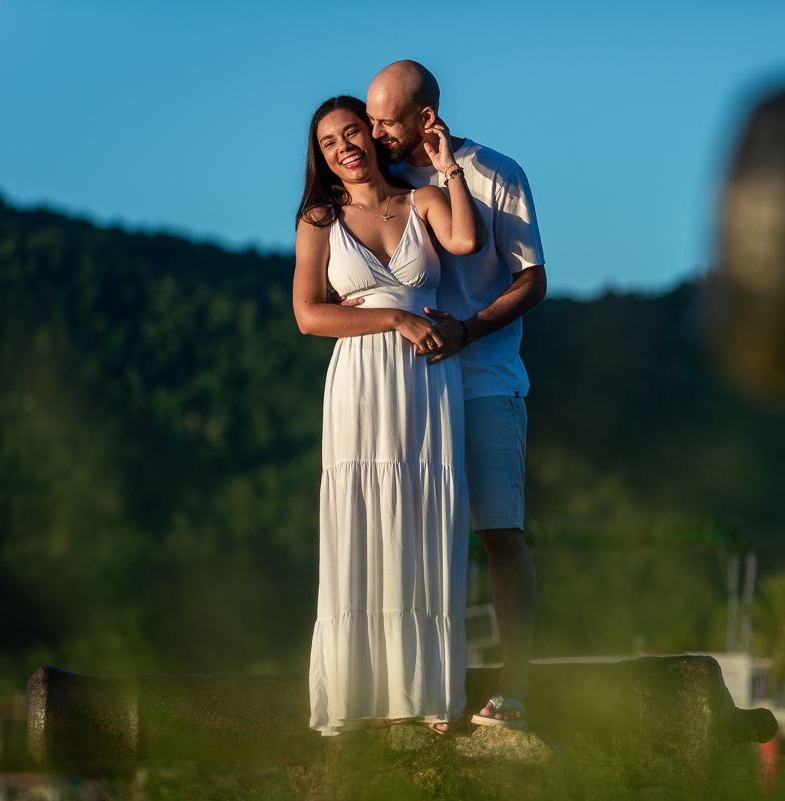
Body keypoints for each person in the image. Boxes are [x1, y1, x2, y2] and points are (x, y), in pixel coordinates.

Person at [349, 60, 546, 729]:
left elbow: (532, 280)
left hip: (486, 380)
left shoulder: (498, 173)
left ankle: (514, 689)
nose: (373, 133)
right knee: (416, 539)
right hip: (409, 386)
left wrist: (470, 331)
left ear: (425, 118)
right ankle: (429, 690)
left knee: (498, 534)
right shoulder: (388, 180)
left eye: (384, 120)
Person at [293, 95, 484, 736]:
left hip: (426, 380)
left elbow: (466, 238)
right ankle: (356, 693)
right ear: (319, 156)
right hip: (360, 381)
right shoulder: (320, 219)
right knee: (363, 520)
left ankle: (425, 691)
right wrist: (395, 316)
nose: (344, 148)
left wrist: (444, 162)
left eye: (353, 133)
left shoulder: (419, 199)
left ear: (373, 137)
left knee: (424, 518)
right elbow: (311, 314)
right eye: (328, 143)